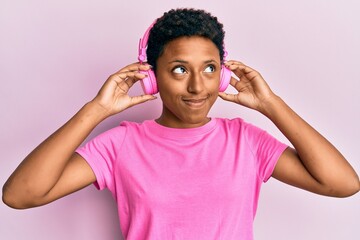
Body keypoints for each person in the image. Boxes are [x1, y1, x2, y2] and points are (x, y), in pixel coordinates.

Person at [2, 8, 359, 239]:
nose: (196, 86)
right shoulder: (121, 144)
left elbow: (342, 184)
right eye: (178, 70)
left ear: (222, 75)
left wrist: (271, 105)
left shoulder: (245, 141)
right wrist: (95, 110)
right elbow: (20, 195)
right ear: (151, 76)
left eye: (209, 69)